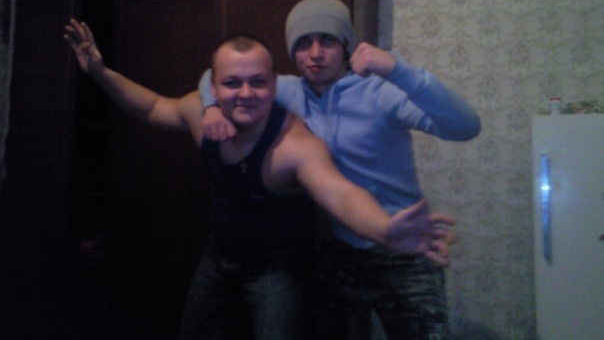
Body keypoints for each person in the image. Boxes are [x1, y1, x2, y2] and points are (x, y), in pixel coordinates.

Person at [63, 20, 456, 340]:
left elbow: (340, 194)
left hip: (277, 271)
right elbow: (151, 107)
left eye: (258, 82)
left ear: (274, 83)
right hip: (219, 258)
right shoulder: (201, 115)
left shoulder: (294, 144)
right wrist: (100, 73)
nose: (246, 94)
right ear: (212, 87)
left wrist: (384, 228)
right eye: (232, 83)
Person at [200, 0, 481, 339]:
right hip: (342, 247)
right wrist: (210, 107)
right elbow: (213, 75)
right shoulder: (287, 91)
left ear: (346, 45)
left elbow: (465, 127)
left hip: (402, 245)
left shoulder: (380, 92)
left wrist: (398, 70)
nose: (315, 53)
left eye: (327, 41)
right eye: (304, 43)